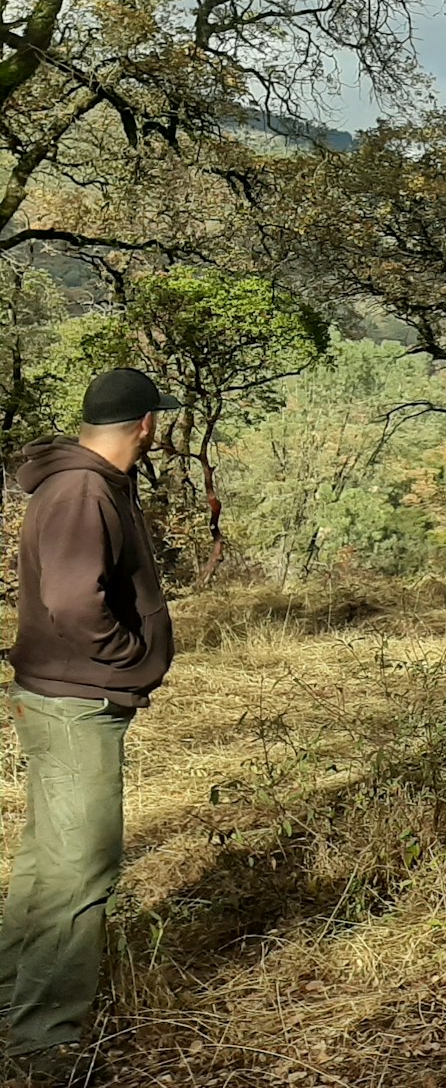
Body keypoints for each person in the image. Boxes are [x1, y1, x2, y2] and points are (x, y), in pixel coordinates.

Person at [0, 368, 180, 1069]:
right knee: (81, 870)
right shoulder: (83, 489)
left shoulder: (82, 481)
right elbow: (77, 602)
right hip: (79, 702)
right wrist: (126, 655)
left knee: (48, 861)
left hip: (58, 695)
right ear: (144, 425)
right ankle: (45, 1047)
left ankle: (14, 999)